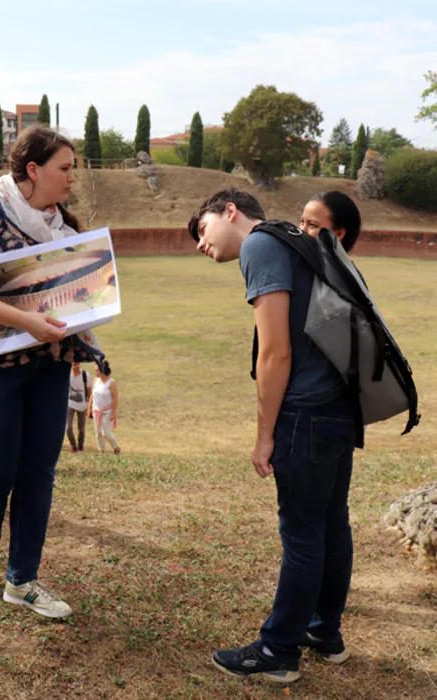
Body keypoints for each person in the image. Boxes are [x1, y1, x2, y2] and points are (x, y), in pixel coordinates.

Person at [189, 188, 356, 683]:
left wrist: (265, 436)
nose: (202, 244)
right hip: (339, 406)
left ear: (231, 213)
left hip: (305, 412)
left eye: (203, 229)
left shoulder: (261, 243)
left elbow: (275, 352)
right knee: (330, 522)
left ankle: (279, 650)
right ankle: (325, 632)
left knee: (302, 531)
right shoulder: (293, 236)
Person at [0, 125, 97, 618]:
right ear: (33, 170)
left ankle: (22, 580)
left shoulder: (64, 227)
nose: (73, 177)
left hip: (49, 365)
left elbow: (77, 293)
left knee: (37, 474)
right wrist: (24, 319)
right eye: (65, 168)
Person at [87, 361, 120, 455]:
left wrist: (113, 412)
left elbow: (115, 398)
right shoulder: (95, 381)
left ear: (102, 370)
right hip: (96, 410)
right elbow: (92, 395)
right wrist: (89, 409)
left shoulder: (111, 383)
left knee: (105, 432)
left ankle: (116, 447)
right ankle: (102, 451)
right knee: (98, 433)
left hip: (107, 411)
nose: (95, 372)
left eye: (96, 370)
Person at [66, 362, 92, 452]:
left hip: (82, 405)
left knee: (81, 429)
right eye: (74, 364)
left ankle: (81, 446)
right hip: (69, 405)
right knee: (68, 428)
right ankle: (73, 446)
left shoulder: (85, 375)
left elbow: (89, 392)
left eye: (77, 364)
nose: (76, 366)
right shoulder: (67, 375)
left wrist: (89, 406)